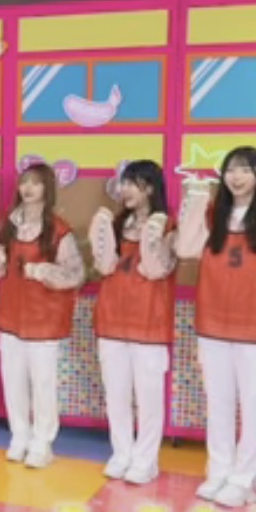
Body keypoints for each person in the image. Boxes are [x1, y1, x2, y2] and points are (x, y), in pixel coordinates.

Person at [174, 146, 256, 507]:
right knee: (218, 402)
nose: (236, 176)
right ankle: (219, 471)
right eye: (231, 169)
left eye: (246, 169)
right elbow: (185, 248)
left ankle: (244, 477)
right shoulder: (214, 213)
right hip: (213, 321)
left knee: (254, 403)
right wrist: (196, 199)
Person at [0, 162, 84, 468]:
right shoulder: (7, 225)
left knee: (42, 382)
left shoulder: (58, 229)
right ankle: (19, 436)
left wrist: (42, 271)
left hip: (45, 319)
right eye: (24, 182)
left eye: (36, 183)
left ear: (47, 189)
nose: (27, 188)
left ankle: (42, 441)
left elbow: (75, 274)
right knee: (12, 379)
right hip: (11, 315)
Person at [89, 160, 177, 485]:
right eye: (123, 183)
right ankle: (121, 453)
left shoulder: (168, 225)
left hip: (149, 325)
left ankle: (146, 460)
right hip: (112, 321)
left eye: (131, 183)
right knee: (116, 395)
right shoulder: (115, 224)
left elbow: (159, 268)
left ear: (150, 188)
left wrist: (153, 234)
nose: (123, 190)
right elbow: (104, 266)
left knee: (149, 398)